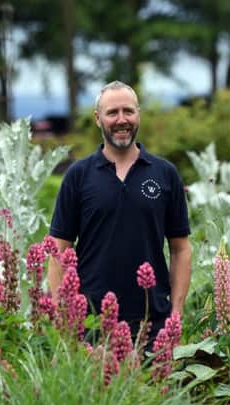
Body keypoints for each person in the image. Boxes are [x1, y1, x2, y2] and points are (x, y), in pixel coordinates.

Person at [47, 80, 192, 347]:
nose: (121, 119)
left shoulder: (165, 174)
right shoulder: (78, 176)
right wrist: (62, 314)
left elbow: (181, 249)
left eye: (128, 111)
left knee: (154, 390)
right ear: (97, 118)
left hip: (152, 322)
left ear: (139, 114)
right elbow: (58, 249)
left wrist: (176, 313)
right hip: (90, 322)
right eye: (112, 113)